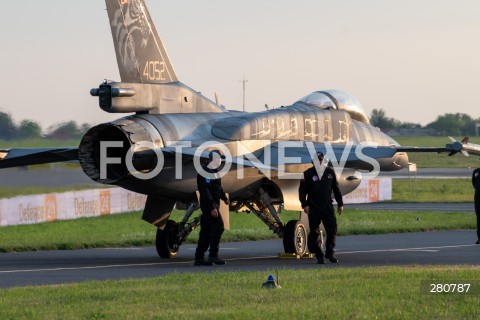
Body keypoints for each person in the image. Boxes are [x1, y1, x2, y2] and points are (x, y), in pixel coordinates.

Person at [299, 152, 344, 264]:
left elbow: (336, 189)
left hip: (327, 206)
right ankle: (319, 255)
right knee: (314, 233)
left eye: (321, 160)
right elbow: (302, 192)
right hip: (313, 207)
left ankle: (330, 253)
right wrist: (305, 205)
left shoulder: (330, 172)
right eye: (317, 160)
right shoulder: (307, 174)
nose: (319, 162)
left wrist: (340, 204)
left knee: (332, 229)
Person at [194, 150, 230, 266]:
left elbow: (217, 188)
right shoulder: (204, 172)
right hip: (209, 206)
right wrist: (212, 208)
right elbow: (205, 192)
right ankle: (213, 255)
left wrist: (224, 198)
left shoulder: (214, 172)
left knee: (206, 231)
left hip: (213, 205)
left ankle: (199, 258)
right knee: (219, 227)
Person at [472, 167, 480, 244]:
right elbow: (474, 184)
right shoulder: (476, 172)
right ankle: (479, 238)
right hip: (478, 198)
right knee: (479, 218)